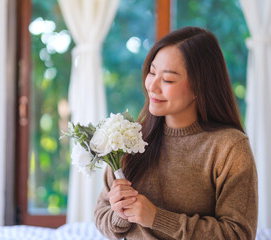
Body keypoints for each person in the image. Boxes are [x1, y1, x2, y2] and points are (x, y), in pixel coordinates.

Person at [94, 26, 258, 240]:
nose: (152, 85)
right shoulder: (129, 138)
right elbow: (101, 215)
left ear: (199, 87)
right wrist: (121, 214)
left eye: (168, 80)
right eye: (152, 72)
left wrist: (157, 218)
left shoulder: (230, 148)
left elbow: (238, 234)